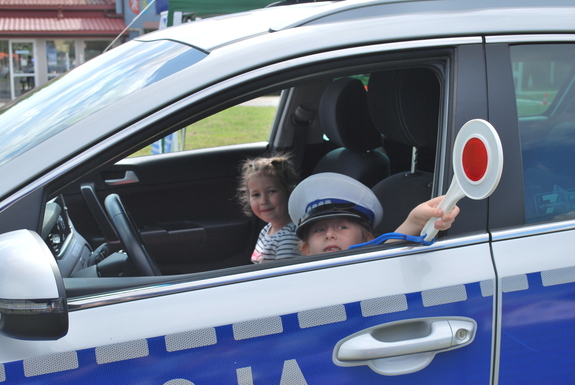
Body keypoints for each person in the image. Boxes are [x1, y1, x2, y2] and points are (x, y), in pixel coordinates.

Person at [288, 172, 459, 256]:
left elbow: (388, 248)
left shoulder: (369, 265)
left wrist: (415, 222)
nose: (330, 235)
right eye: (319, 230)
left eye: (342, 227)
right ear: (306, 249)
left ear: (368, 240)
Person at [237, 153, 302, 263]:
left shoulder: (288, 239)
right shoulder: (268, 229)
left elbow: (285, 277)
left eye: (271, 192)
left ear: (289, 192)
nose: (263, 201)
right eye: (256, 195)